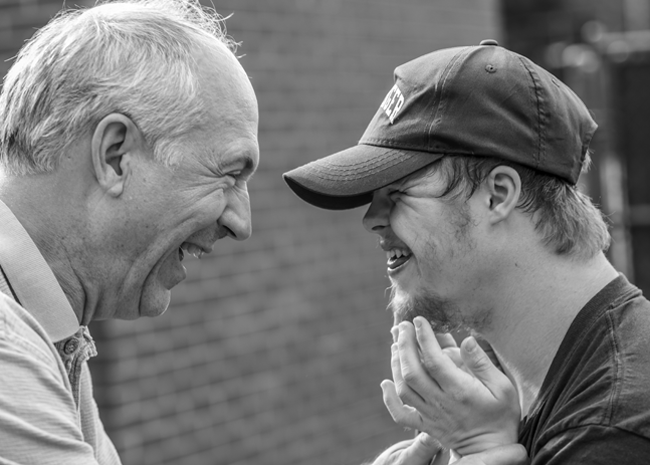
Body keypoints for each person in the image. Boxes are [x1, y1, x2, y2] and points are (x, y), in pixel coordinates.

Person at [284, 40, 650, 464]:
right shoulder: (490, 390)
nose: (372, 219)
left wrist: (480, 451)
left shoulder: (614, 429)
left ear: (497, 195)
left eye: (397, 192)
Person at [0, 0, 259, 462]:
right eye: (229, 174)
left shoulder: (48, 328)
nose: (241, 223)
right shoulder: (8, 345)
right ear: (116, 156)